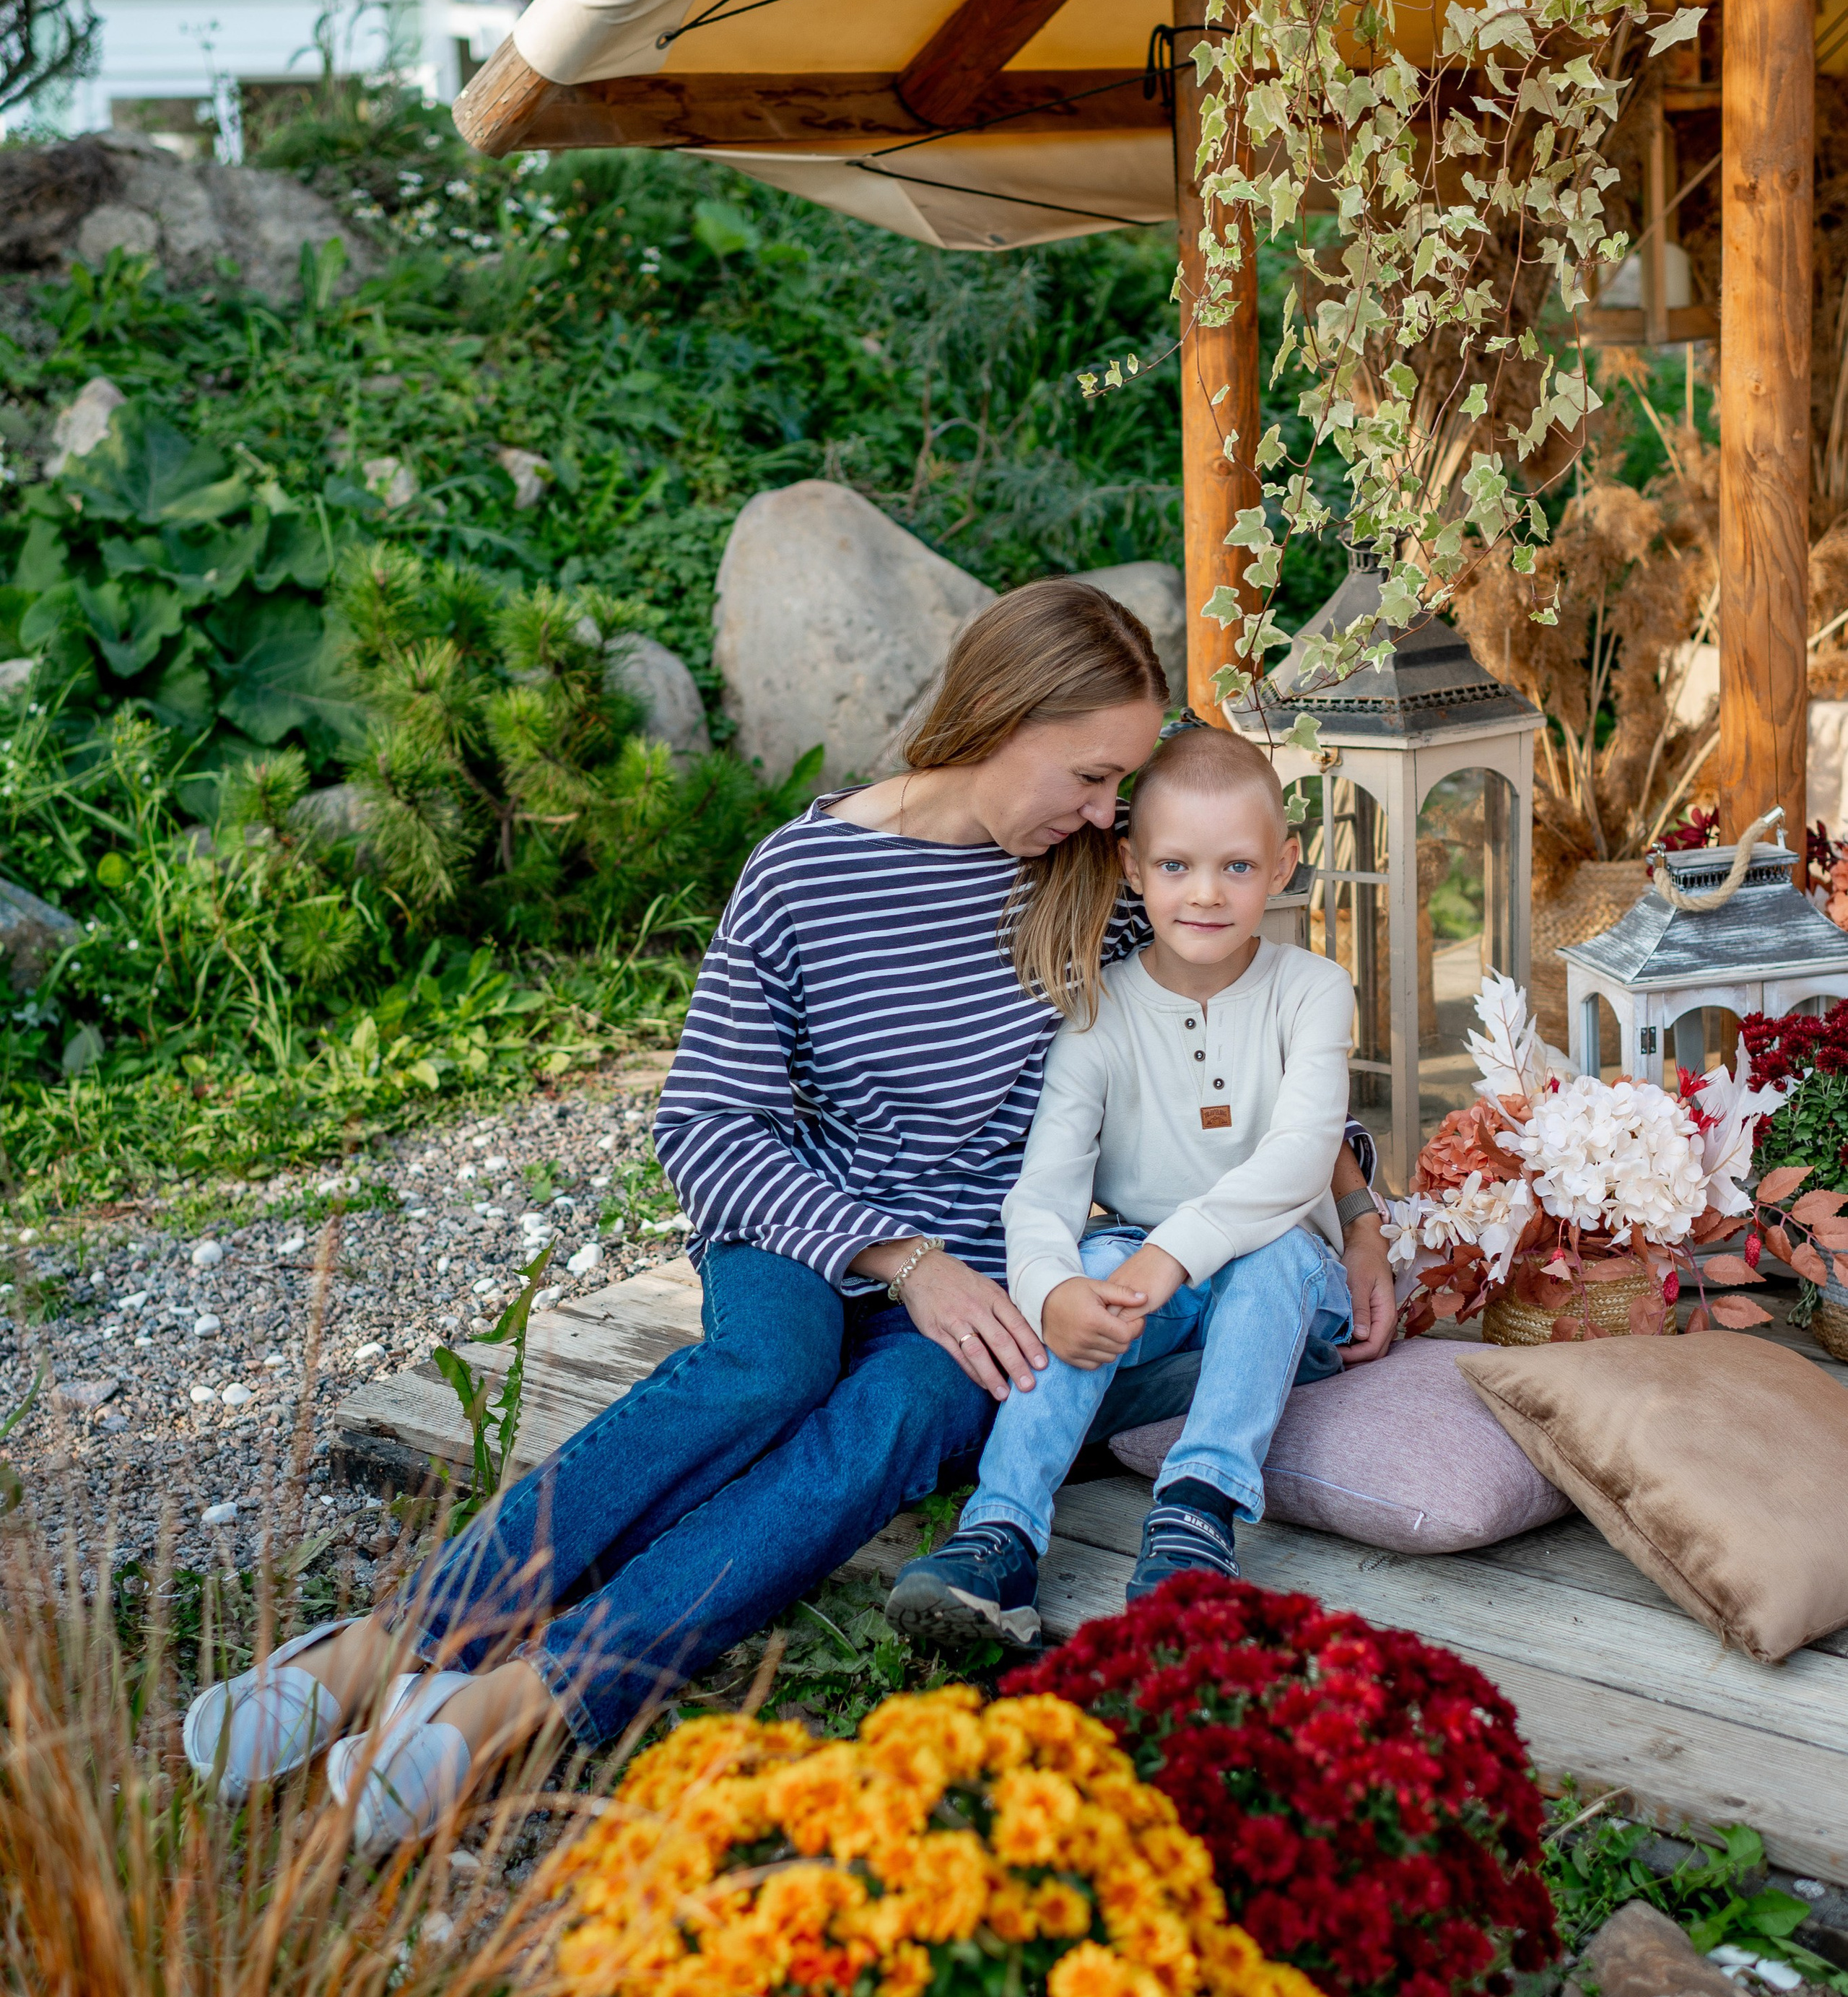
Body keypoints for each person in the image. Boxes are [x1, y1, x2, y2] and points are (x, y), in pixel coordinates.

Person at [183, 588, 1395, 1843]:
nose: (1107, 811)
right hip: (810, 1232)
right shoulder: (804, 875)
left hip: (995, 1279)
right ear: (1006, 716)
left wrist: (1358, 1214)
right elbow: (705, 1128)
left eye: (1123, 784)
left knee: (890, 1420)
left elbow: (1247, 1065)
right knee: (771, 1366)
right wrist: (900, 1258)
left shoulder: (1105, 882)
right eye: (1093, 774)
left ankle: (513, 1703)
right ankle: (385, 1649)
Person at [889, 723, 1364, 1654]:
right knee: (1091, 1272)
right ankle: (998, 1538)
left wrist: (1168, 1256)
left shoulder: (1312, 988)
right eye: (1177, 865)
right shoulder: (1096, 1013)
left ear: (1283, 865)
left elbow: (1302, 1156)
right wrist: (1052, 1290)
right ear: (1131, 867)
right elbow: (1041, 1196)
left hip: (1292, 1298)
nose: (1206, 892)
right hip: (1153, 1300)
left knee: (1268, 1260)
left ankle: (1196, 1518)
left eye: (1236, 865)